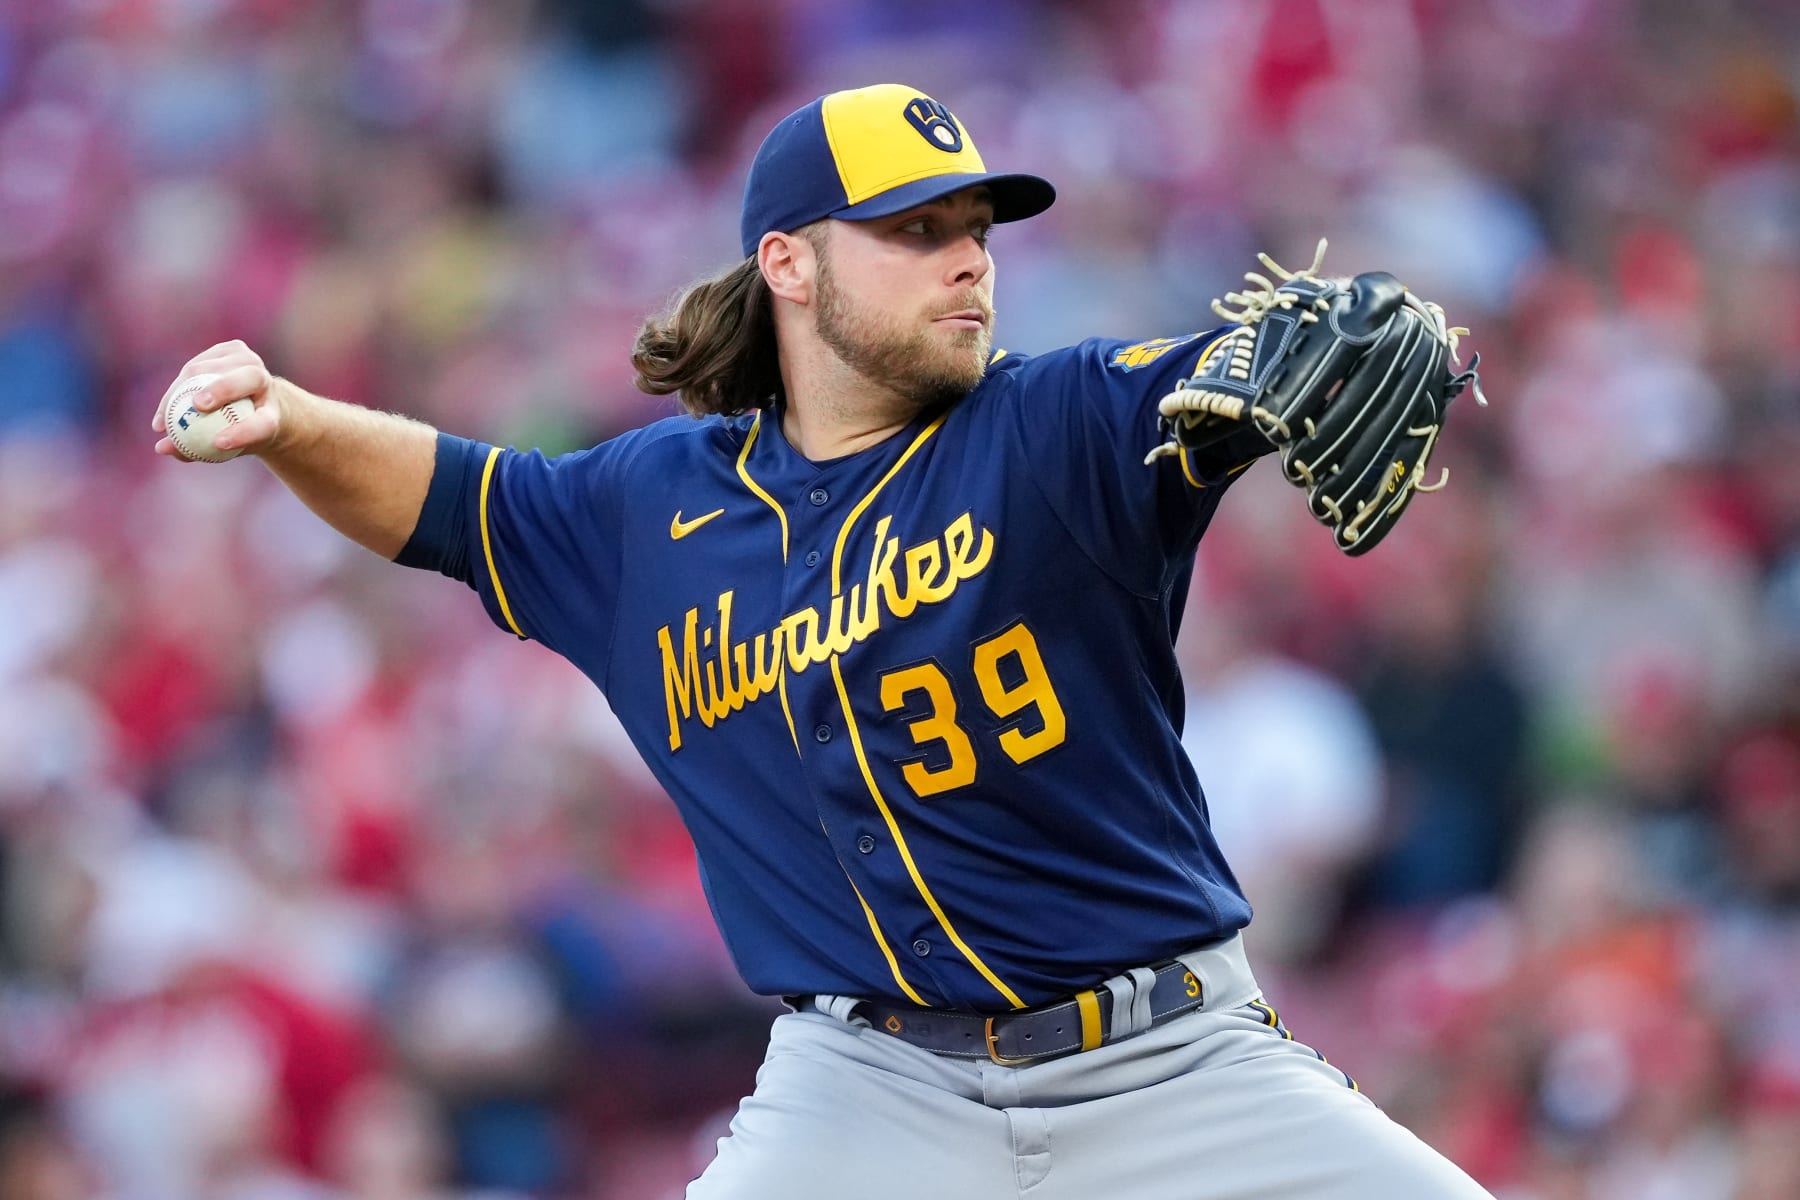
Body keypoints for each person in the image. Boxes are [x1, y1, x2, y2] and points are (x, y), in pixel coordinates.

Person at [153, 83, 1492, 1199]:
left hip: (1169, 1065)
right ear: (788, 263)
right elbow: (453, 502)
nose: (968, 256)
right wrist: (292, 421)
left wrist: (1338, 338)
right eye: (916, 227)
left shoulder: (1061, 427)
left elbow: (1214, 375)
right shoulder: (648, 512)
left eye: (977, 226)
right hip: (867, 1091)